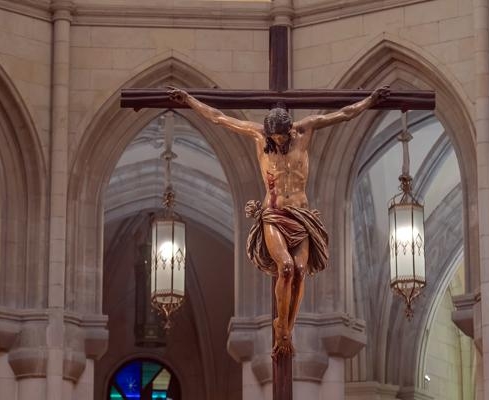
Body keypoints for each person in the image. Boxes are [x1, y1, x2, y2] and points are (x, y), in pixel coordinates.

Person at [167, 85, 391, 355]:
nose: (279, 142)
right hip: (273, 214)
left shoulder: (304, 131)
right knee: (285, 267)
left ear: (289, 130)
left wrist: (370, 100)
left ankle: (287, 325)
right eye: (275, 137)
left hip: (301, 216)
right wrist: (190, 99)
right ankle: (281, 331)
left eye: (282, 137)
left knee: (299, 270)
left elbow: (343, 114)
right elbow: (219, 118)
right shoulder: (260, 137)